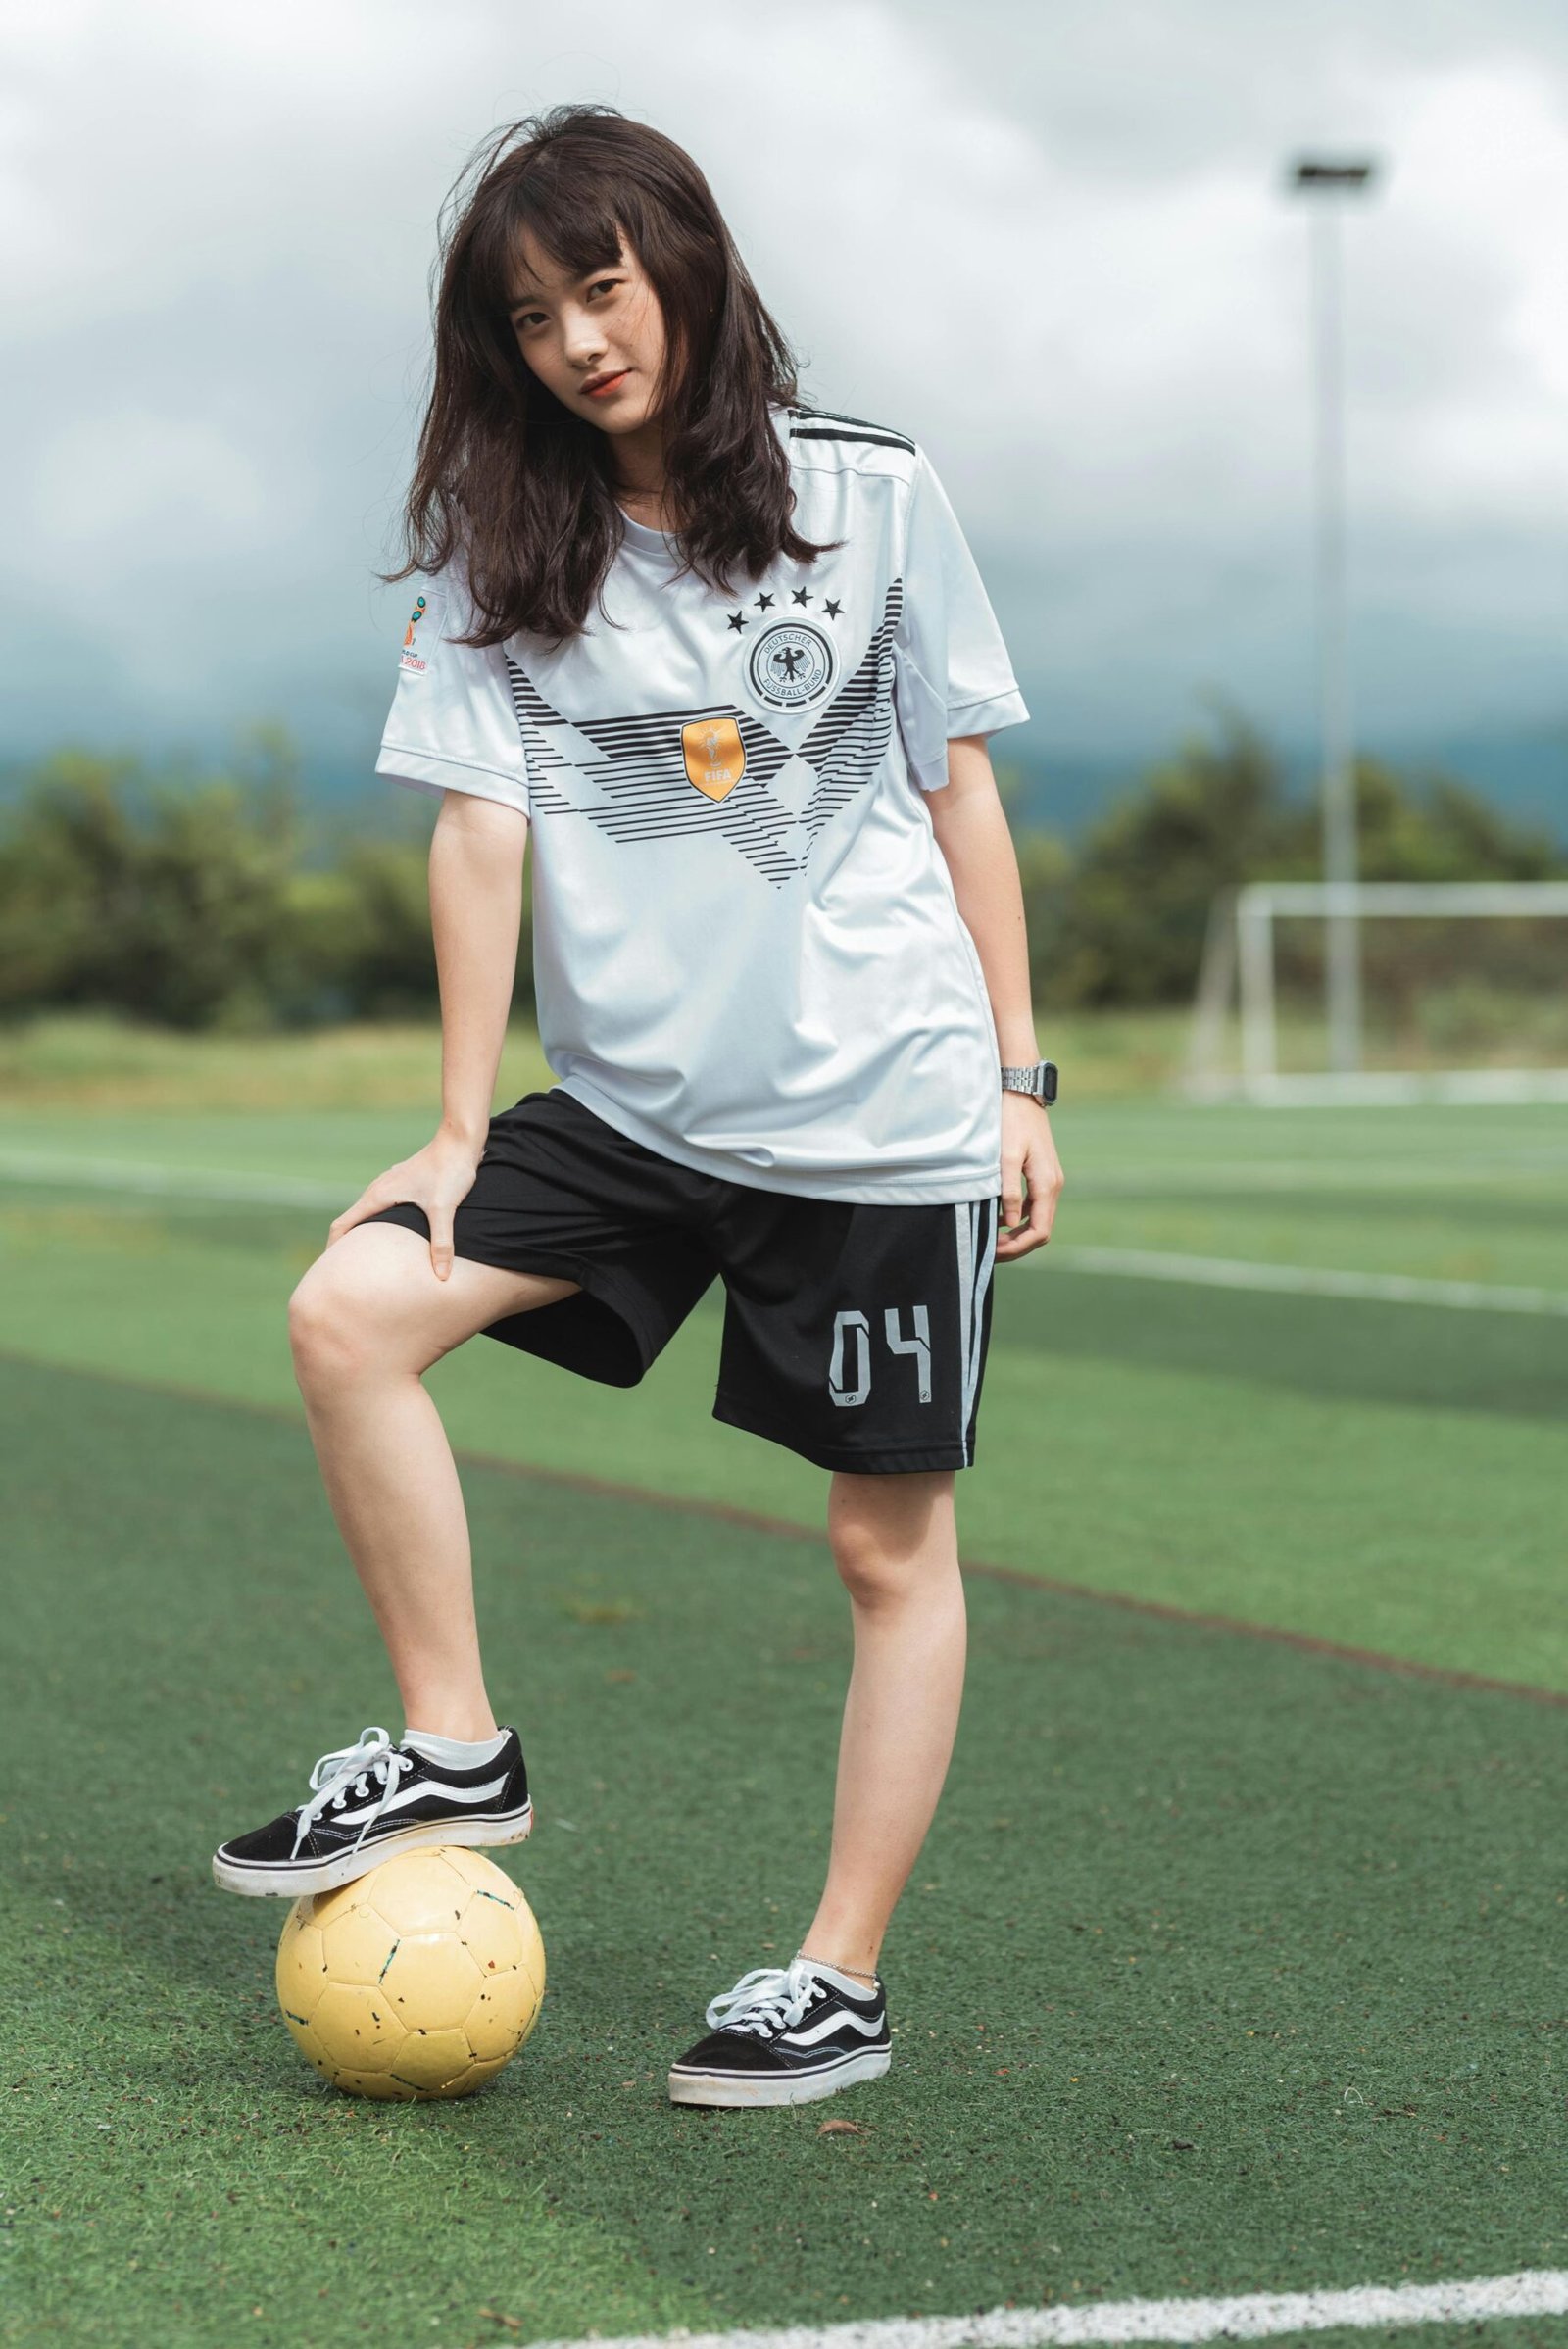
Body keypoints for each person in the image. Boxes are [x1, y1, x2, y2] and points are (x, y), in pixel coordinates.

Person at [211, 102, 1063, 2109]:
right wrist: (448, 1126)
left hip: (876, 1114)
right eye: (531, 315)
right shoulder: (508, 554)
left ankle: (832, 1975)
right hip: (629, 1110)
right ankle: (451, 1740)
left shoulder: (873, 493)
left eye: (601, 284)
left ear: (680, 266)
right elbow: (478, 837)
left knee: (882, 1547)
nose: (581, 338)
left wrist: (1020, 1077)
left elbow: (957, 787)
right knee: (350, 1310)